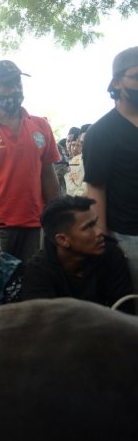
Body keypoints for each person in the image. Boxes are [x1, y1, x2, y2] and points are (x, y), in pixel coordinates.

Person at [0, 60, 60, 261]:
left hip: (35, 226)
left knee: (31, 286)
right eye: (6, 85)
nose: (14, 89)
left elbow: (48, 175)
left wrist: (57, 218)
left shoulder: (41, 126)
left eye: (18, 83)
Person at [83, 47, 138, 294]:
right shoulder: (101, 133)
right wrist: (103, 240)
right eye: (136, 76)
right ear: (116, 81)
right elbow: (96, 187)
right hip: (128, 238)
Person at [21, 196, 134, 314]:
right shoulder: (38, 272)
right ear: (63, 240)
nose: (99, 231)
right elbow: (42, 323)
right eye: (88, 227)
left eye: (95, 223)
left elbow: (124, 311)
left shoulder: (110, 254)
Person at [65, 124, 89, 197]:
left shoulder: (101, 161)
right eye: (82, 142)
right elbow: (69, 186)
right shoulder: (74, 161)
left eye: (88, 141)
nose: (85, 145)